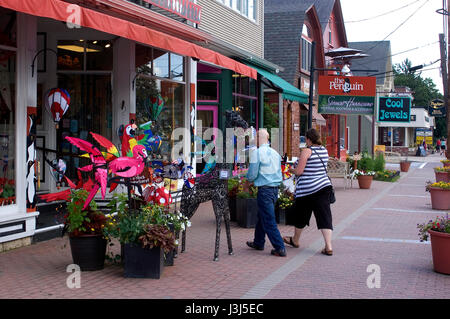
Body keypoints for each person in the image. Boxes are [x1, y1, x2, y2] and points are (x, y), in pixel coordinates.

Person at [285, 128, 334, 256]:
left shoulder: (307, 151)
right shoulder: (324, 150)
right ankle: (328, 246)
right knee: (324, 216)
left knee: (301, 216)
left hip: (307, 190)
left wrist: (291, 170)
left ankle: (295, 240)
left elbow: (299, 171)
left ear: (308, 139)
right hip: (324, 187)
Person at [246, 129, 286, 257]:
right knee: (262, 215)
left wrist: (248, 182)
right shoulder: (275, 153)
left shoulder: (257, 153)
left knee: (268, 219)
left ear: (258, 138)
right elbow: (279, 172)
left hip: (265, 190)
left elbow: (252, 174)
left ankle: (280, 247)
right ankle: (258, 242)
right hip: (274, 189)